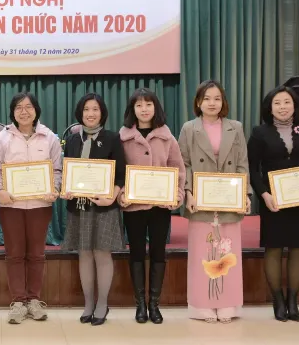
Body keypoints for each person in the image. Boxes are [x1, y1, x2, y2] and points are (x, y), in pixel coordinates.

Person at [248, 86, 299, 322]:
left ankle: (293, 301)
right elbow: (253, 168)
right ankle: (278, 300)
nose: (282, 107)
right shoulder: (260, 132)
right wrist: (264, 194)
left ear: (295, 105)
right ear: (269, 108)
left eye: (287, 102)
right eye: (277, 103)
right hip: (273, 201)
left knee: (298, 248)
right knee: (274, 248)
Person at [178, 80, 251, 324]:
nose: (212, 103)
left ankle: (228, 304)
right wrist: (188, 192)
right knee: (202, 252)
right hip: (201, 200)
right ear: (198, 102)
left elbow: (242, 163)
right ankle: (202, 305)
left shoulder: (235, 127)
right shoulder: (189, 128)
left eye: (217, 98)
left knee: (228, 252)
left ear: (223, 102)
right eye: (207, 98)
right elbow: (184, 163)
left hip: (229, 199)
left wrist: (244, 194)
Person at [0, 92, 62, 324]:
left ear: (36, 110)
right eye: (18, 107)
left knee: (37, 254)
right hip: (11, 206)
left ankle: (34, 300)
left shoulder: (50, 138)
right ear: (12, 112)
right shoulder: (2, 139)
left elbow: (57, 170)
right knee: (15, 254)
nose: (24, 111)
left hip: (40, 205)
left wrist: (54, 189)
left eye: (28, 107)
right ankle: (18, 302)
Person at [118, 88, 184, 325]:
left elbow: (178, 169)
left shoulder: (168, 137)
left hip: (160, 206)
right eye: (139, 105)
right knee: (136, 252)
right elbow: (118, 172)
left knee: (158, 252)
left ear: (156, 108)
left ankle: (154, 304)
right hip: (134, 206)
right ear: (132, 109)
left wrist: (177, 194)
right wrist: (122, 194)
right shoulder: (123, 137)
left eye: (148, 104)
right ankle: (140, 305)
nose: (144, 109)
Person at [62, 93, 126, 326]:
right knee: (84, 255)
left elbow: (121, 174)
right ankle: (88, 303)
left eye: (95, 109)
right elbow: (67, 172)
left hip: (104, 207)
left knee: (101, 253)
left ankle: (102, 304)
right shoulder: (72, 140)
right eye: (86, 109)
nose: (90, 114)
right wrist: (66, 189)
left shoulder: (113, 138)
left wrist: (112, 196)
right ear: (80, 113)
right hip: (79, 207)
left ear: (102, 113)